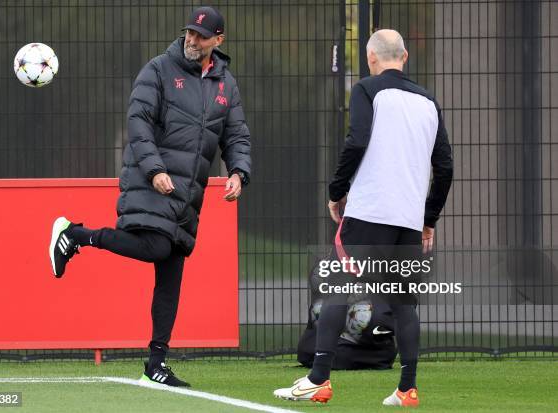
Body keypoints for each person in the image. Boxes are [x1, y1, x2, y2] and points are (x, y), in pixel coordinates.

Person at [48, 6, 251, 387]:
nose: (192, 40)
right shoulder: (158, 69)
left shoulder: (226, 83)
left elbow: (236, 134)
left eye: (201, 36)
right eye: (189, 33)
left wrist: (239, 172)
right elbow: (138, 123)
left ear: (218, 41)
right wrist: (155, 169)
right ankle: (76, 235)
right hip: (152, 180)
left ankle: (155, 364)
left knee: (171, 275)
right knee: (158, 248)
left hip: (188, 194)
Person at [274, 29, 452, 407]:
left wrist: (336, 191)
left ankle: (318, 380)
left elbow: (356, 140)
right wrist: (429, 218)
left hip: (369, 212)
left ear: (371, 58)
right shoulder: (429, 102)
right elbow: (445, 167)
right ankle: (407, 388)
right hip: (407, 219)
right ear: (404, 57)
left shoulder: (367, 90)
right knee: (405, 304)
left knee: (338, 288)